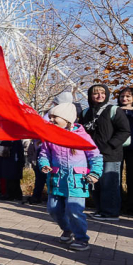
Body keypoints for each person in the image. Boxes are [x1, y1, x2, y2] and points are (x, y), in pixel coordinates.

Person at [39, 103, 102, 251]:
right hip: (57, 179)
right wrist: (44, 164)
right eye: (51, 116)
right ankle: (67, 229)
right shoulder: (50, 136)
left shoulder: (82, 137)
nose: (51, 119)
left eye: (55, 117)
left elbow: (95, 156)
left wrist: (95, 173)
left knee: (74, 210)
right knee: (53, 209)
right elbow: (43, 154)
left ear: (67, 119)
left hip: (76, 181)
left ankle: (81, 238)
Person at [79, 84, 130, 219]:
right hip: (91, 155)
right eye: (96, 93)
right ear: (90, 96)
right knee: (95, 183)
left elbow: (124, 131)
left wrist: (110, 145)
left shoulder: (113, 110)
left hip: (111, 155)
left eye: (103, 93)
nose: (100, 96)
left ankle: (111, 213)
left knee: (110, 184)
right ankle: (100, 210)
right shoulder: (85, 113)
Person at [117, 87, 133, 214]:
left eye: (128, 96)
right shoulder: (115, 110)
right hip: (118, 148)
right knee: (116, 177)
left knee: (132, 178)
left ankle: (132, 206)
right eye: (122, 96)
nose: (124, 99)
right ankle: (118, 204)